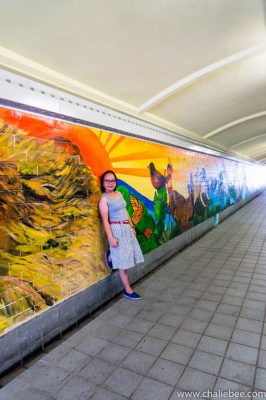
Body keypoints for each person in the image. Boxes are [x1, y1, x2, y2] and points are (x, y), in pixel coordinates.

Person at [99, 170, 144, 300]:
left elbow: (125, 210)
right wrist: (111, 238)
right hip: (116, 229)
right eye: (107, 181)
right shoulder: (104, 199)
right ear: (103, 183)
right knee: (124, 264)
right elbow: (105, 221)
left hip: (126, 228)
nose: (110, 183)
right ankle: (128, 290)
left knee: (129, 256)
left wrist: (131, 226)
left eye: (112, 181)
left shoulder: (118, 193)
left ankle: (112, 256)